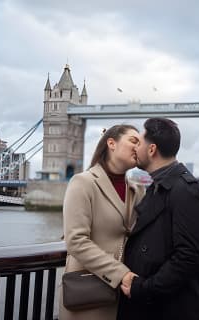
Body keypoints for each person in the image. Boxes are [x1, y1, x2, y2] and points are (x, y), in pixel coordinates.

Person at [117, 118, 199, 320]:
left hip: (174, 310)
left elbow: (189, 257)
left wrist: (143, 288)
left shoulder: (187, 192)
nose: (135, 148)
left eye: (139, 143)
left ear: (151, 149)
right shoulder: (159, 186)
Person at [59, 124, 144, 320]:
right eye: (133, 141)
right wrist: (120, 273)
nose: (138, 147)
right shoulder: (83, 183)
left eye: (141, 144)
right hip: (88, 294)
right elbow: (76, 241)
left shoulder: (138, 191)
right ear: (111, 143)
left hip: (125, 296)